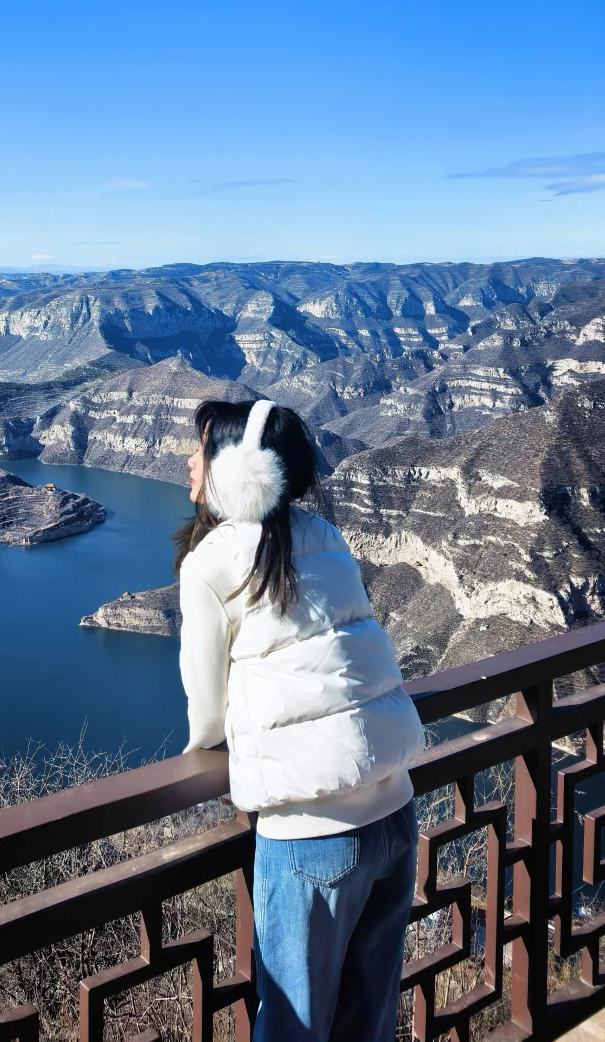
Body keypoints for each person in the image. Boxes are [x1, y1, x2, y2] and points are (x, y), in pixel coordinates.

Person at [176, 398, 424, 1042]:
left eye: (201, 449)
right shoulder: (326, 535)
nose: (189, 461)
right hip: (395, 815)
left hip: (314, 836)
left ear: (239, 471)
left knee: (293, 1026)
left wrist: (211, 753)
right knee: (370, 1021)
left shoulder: (210, 563)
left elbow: (205, 717)